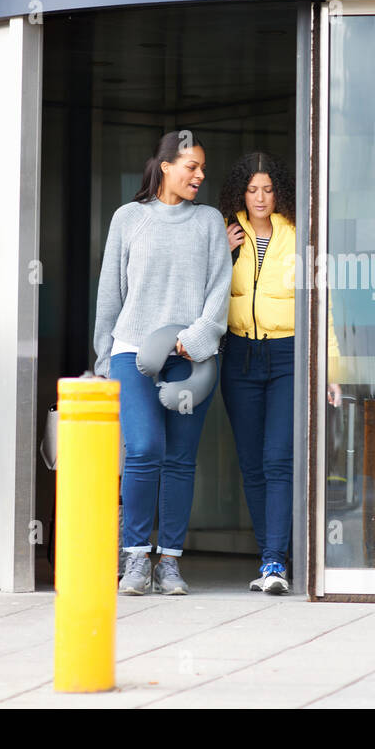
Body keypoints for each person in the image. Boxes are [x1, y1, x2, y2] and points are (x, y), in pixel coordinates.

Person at [93, 130, 231, 596]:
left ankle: (169, 562)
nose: (199, 175)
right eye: (192, 166)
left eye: (202, 169)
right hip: (132, 352)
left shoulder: (209, 221)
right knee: (145, 449)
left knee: (179, 459)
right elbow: (110, 293)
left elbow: (219, 290)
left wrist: (195, 338)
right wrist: (103, 356)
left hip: (190, 358)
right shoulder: (128, 219)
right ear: (166, 165)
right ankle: (135, 558)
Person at [218, 152, 341, 595]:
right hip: (239, 357)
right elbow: (201, 291)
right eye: (252, 189)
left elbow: (321, 302)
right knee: (251, 464)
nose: (260, 198)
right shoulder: (224, 232)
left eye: (268, 189)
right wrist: (223, 255)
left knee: (278, 459)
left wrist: (330, 367)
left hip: (288, 356)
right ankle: (268, 552)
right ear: (241, 192)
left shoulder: (297, 234)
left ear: (279, 192)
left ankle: (275, 561)